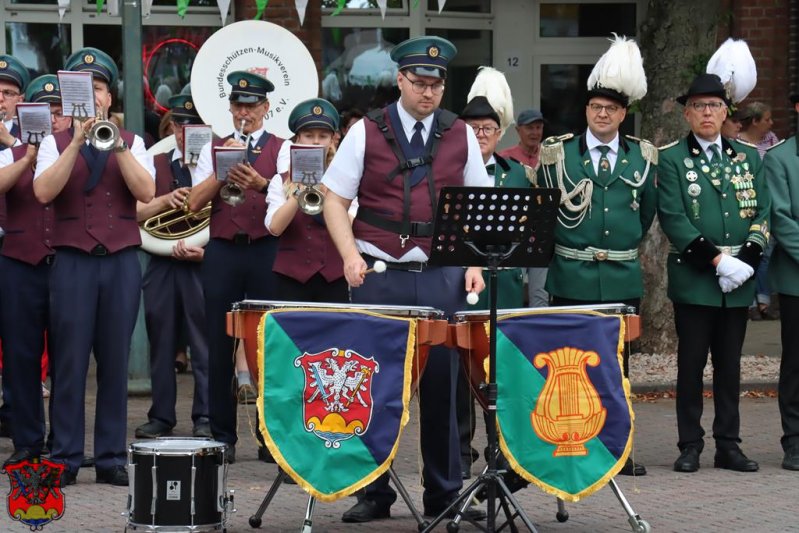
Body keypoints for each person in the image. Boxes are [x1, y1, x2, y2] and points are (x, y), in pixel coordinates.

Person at [321, 36, 490, 523]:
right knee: (373, 387)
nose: (428, 92)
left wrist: (475, 263)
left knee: (443, 390)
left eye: (436, 84)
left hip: (441, 275)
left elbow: (479, 204)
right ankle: (373, 493)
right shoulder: (365, 131)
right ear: (400, 80)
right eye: (419, 83)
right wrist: (349, 256)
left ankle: (444, 494)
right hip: (380, 275)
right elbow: (334, 199)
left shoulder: (460, 133)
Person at [33, 47, 156, 486]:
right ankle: (65, 457)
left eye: (98, 88)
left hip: (120, 262)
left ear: (108, 97)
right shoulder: (53, 143)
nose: (92, 96)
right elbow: (43, 192)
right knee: (69, 363)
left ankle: (110, 458)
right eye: (82, 89)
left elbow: (146, 191)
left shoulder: (134, 142)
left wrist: (116, 143)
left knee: (115, 363)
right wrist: (76, 142)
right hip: (72, 263)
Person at [538, 35, 656, 477]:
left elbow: (645, 215)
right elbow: (545, 213)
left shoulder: (642, 156)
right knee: (566, 365)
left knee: (616, 370)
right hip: (572, 275)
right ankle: (571, 443)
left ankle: (618, 449)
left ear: (623, 114)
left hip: (621, 277)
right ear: (586, 110)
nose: (602, 114)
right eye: (595, 107)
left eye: (610, 109)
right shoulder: (558, 154)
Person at [658, 72, 769, 474]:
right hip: (695, 278)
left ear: (726, 113)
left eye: (714, 106)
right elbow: (674, 217)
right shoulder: (672, 158)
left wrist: (748, 260)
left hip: (738, 280)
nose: (707, 113)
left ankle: (728, 444)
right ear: (687, 114)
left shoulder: (747, 156)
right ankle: (690, 444)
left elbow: (762, 210)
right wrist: (719, 261)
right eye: (699, 106)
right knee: (691, 366)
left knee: (729, 366)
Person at [187, 70, 285, 463]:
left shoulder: (282, 147)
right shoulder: (212, 148)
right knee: (219, 343)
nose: (244, 112)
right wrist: (222, 170)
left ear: (265, 108)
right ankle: (222, 435)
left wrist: (261, 183)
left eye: (252, 105)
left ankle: (269, 436)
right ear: (230, 107)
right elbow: (193, 203)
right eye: (238, 105)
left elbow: (290, 195)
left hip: (266, 250)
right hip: (224, 251)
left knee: (269, 345)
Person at [457, 67, 533, 485]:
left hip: (503, 285)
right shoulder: (449, 169)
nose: (480, 134)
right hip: (461, 284)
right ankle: (459, 452)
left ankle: (500, 450)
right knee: (460, 372)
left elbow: (528, 231)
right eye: (473, 128)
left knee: (500, 372)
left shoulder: (516, 173)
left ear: (500, 132)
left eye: (487, 128)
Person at [0, 74, 67, 466]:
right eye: (44, 113)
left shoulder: (76, 150)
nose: (52, 120)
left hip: (65, 263)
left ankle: (64, 440)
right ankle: (26, 441)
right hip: (20, 263)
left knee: (68, 357)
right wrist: (27, 155)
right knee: (21, 355)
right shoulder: (13, 152)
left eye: (58, 112)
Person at [135, 94, 211, 440]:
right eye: (180, 125)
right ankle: (161, 415)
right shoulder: (156, 162)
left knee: (204, 341)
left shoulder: (217, 165)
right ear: (172, 128)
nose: (185, 132)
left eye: (193, 126)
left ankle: (206, 414)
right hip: (161, 261)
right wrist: (165, 201)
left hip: (201, 261)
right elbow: (135, 211)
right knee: (161, 338)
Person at [265, 98, 349, 303]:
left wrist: (330, 193)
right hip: (291, 279)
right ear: (297, 140)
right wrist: (298, 192)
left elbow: (353, 225)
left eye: (323, 136)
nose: (316, 142)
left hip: (334, 278)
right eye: (309, 136)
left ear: (332, 140)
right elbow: (274, 228)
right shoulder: (280, 179)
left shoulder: (346, 180)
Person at [763, 93, 799, 471]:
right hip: (797, 280)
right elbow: (781, 218)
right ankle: (795, 440)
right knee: (796, 365)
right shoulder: (780, 158)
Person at [0, 54, 28, 440]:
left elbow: (42, 166)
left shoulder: (28, 135)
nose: (1, 99)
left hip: (15, 245)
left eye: (8, 93)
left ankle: (13, 411)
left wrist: (9, 140)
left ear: (20, 99)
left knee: (16, 333)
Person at [498, 109, 548, 308]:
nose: (535, 132)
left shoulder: (550, 157)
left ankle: (537, 329)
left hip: (541, 234)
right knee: (511, 289)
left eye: (538, 127)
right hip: (514, 235)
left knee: (540, 296)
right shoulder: (504, 158)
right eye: (529, 128)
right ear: (518, 130)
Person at [737, 102, 780, 321]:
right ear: (754, 121)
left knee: (766, 252)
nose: (771, 123)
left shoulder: (771, 140)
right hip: (743, 204)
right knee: (747, 251)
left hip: (766, 204)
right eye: (766, 119)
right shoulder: (736, 141)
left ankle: (764, 301)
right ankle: (749, 304)